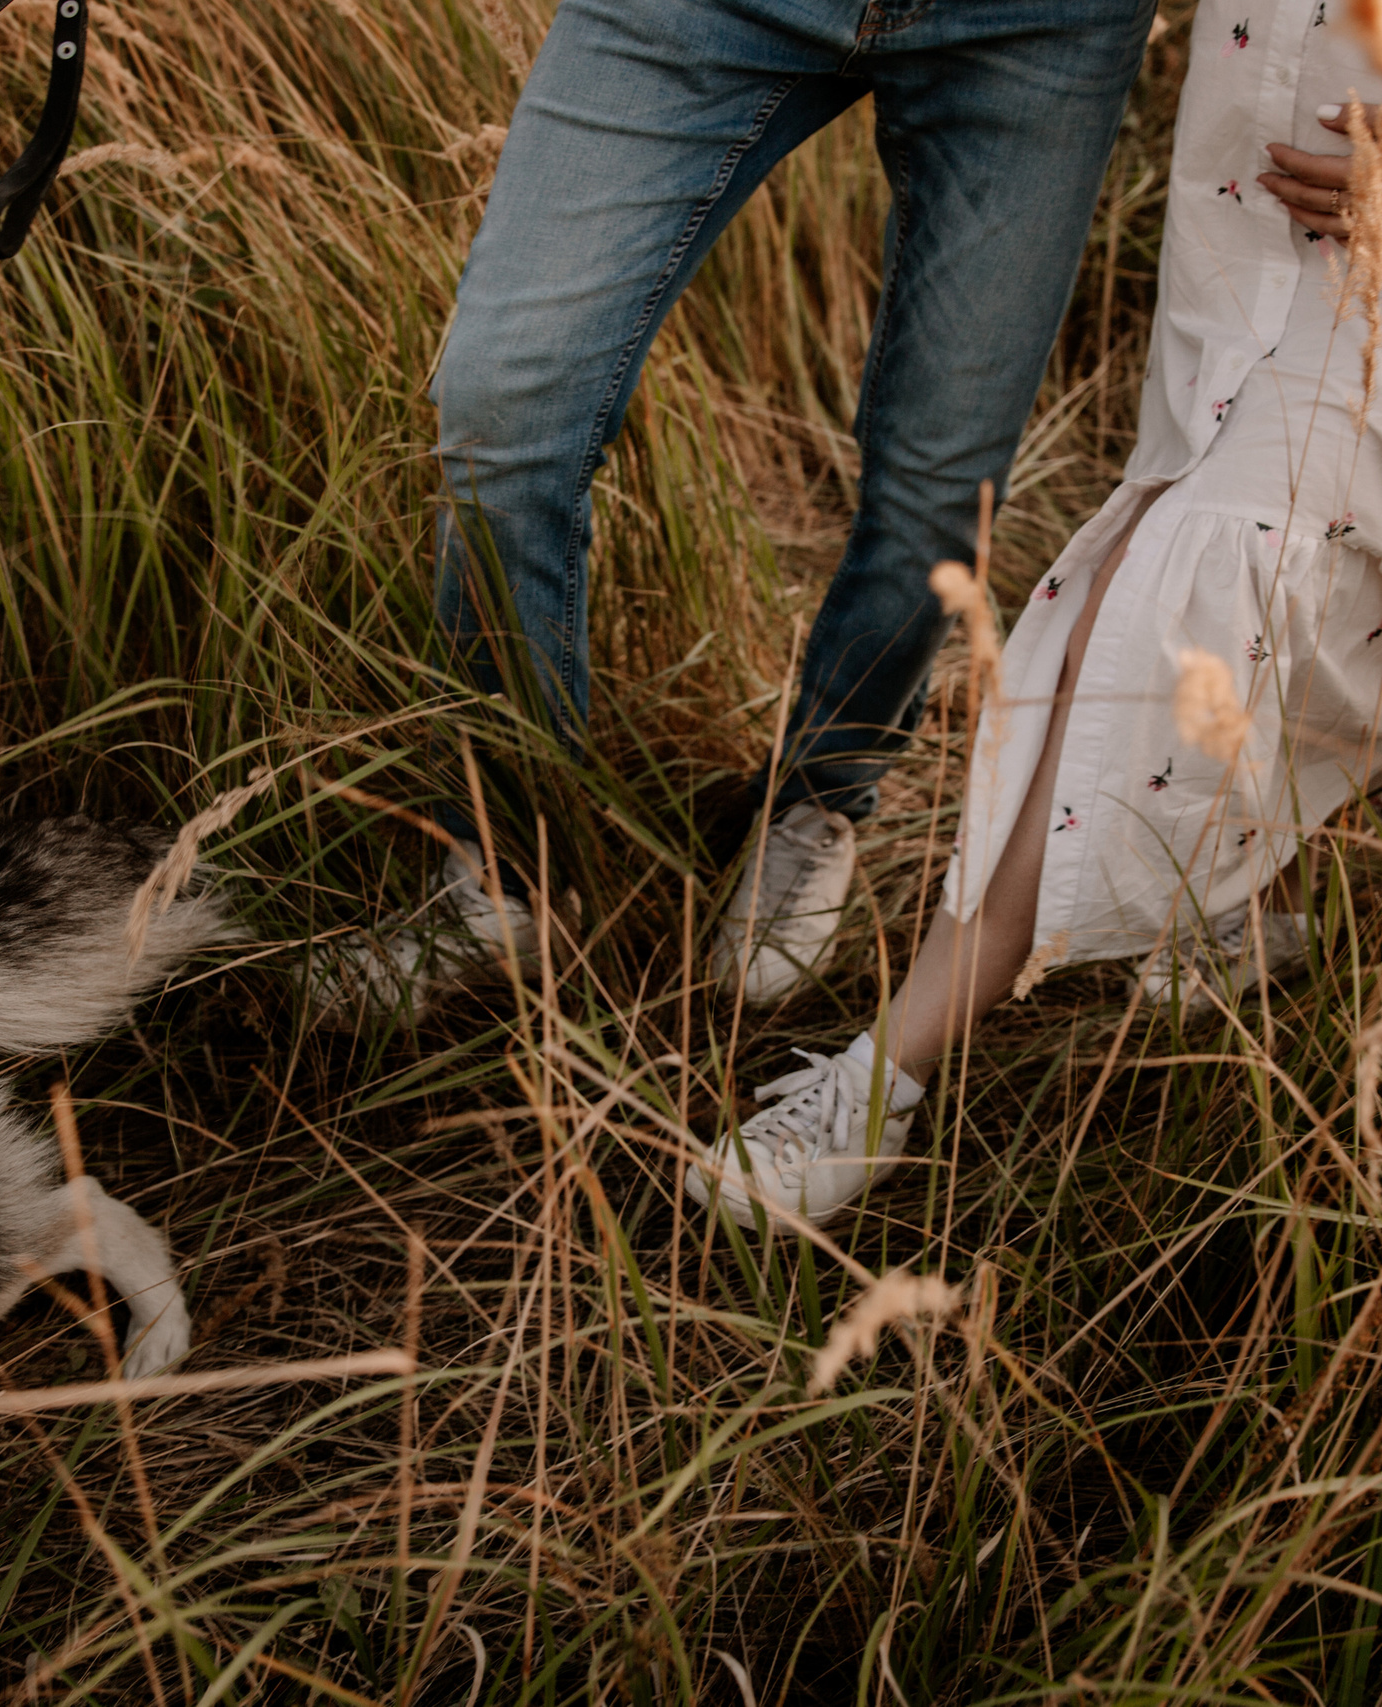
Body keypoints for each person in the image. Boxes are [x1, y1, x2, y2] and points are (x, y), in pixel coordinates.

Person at [688, 0, 1382, 1226]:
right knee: (1207, 551)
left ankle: (906, 1060)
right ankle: (1072, 978)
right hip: (1263, 151)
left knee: (1315, 566)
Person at [318, 0, 1163, 1020]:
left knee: (943, 484)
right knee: (503, 409)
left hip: (1032, 26)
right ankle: (509, 869)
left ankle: (821, 798)